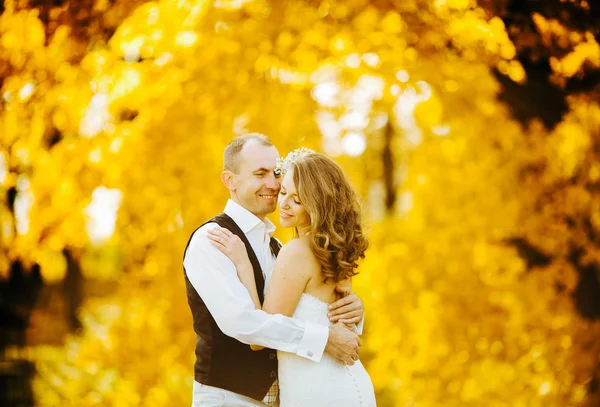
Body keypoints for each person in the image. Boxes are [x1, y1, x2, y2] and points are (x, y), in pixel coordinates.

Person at [183, 134, 366, 407]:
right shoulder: (212, 240)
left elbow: (311, 303)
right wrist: (324, 339)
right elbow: (243, 323)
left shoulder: (280, 246)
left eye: (275, 173)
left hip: (292, 396)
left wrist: (353, 310)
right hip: (230, 399)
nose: (272, 183)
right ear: (229, 180)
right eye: (260, 174)